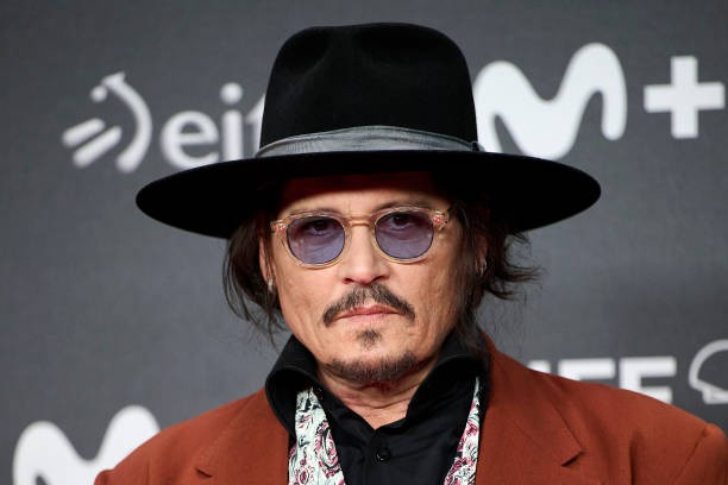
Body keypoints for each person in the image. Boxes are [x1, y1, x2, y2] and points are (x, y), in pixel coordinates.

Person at [96, 23, 728, 484]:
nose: (362, 268)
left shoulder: (661, 461)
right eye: (316, 231)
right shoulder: (149, 479)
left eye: (403, 224)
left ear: (479, 243)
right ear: (266, 258)